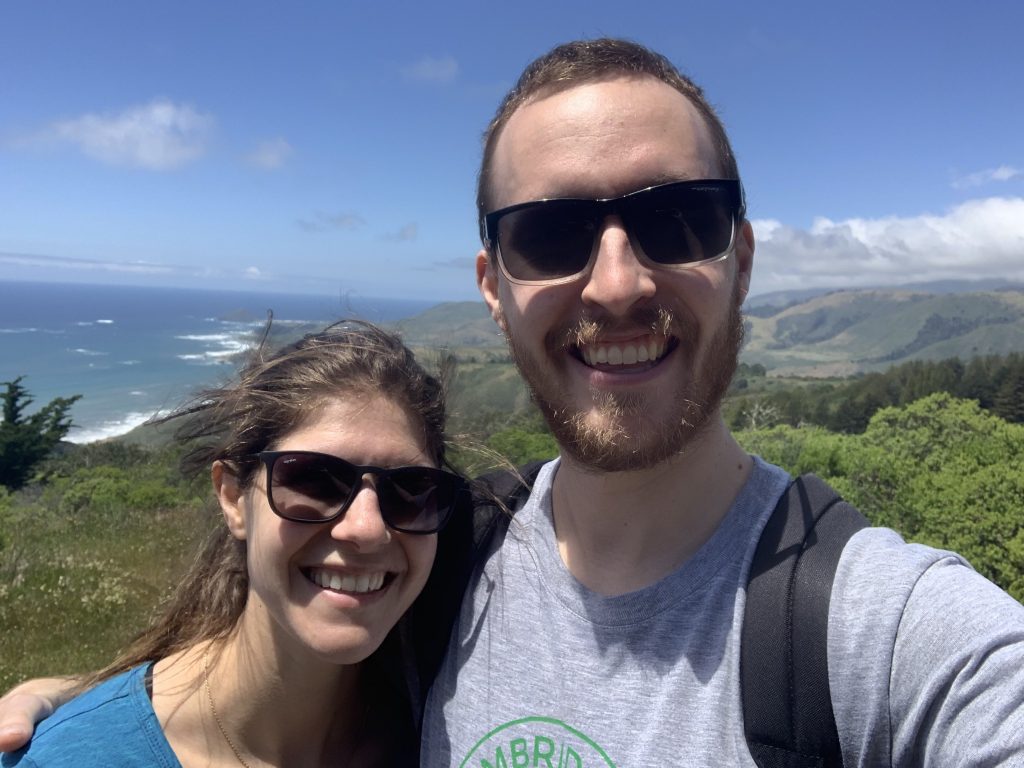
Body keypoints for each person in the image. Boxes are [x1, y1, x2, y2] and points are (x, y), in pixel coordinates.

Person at [4, 38, 1024, 767]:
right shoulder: (445, 550)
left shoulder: (881, 633)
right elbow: (264, 673)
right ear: (494, 286)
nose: (618, 283)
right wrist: (86, 720)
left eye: (675, 219)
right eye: (551, 234)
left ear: (739, 261)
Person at [0, 320, 469, 766]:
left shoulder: (450, 732)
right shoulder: (69, 759)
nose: (367, 528)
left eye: (410, 490)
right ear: (232, 497)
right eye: (313, 479)